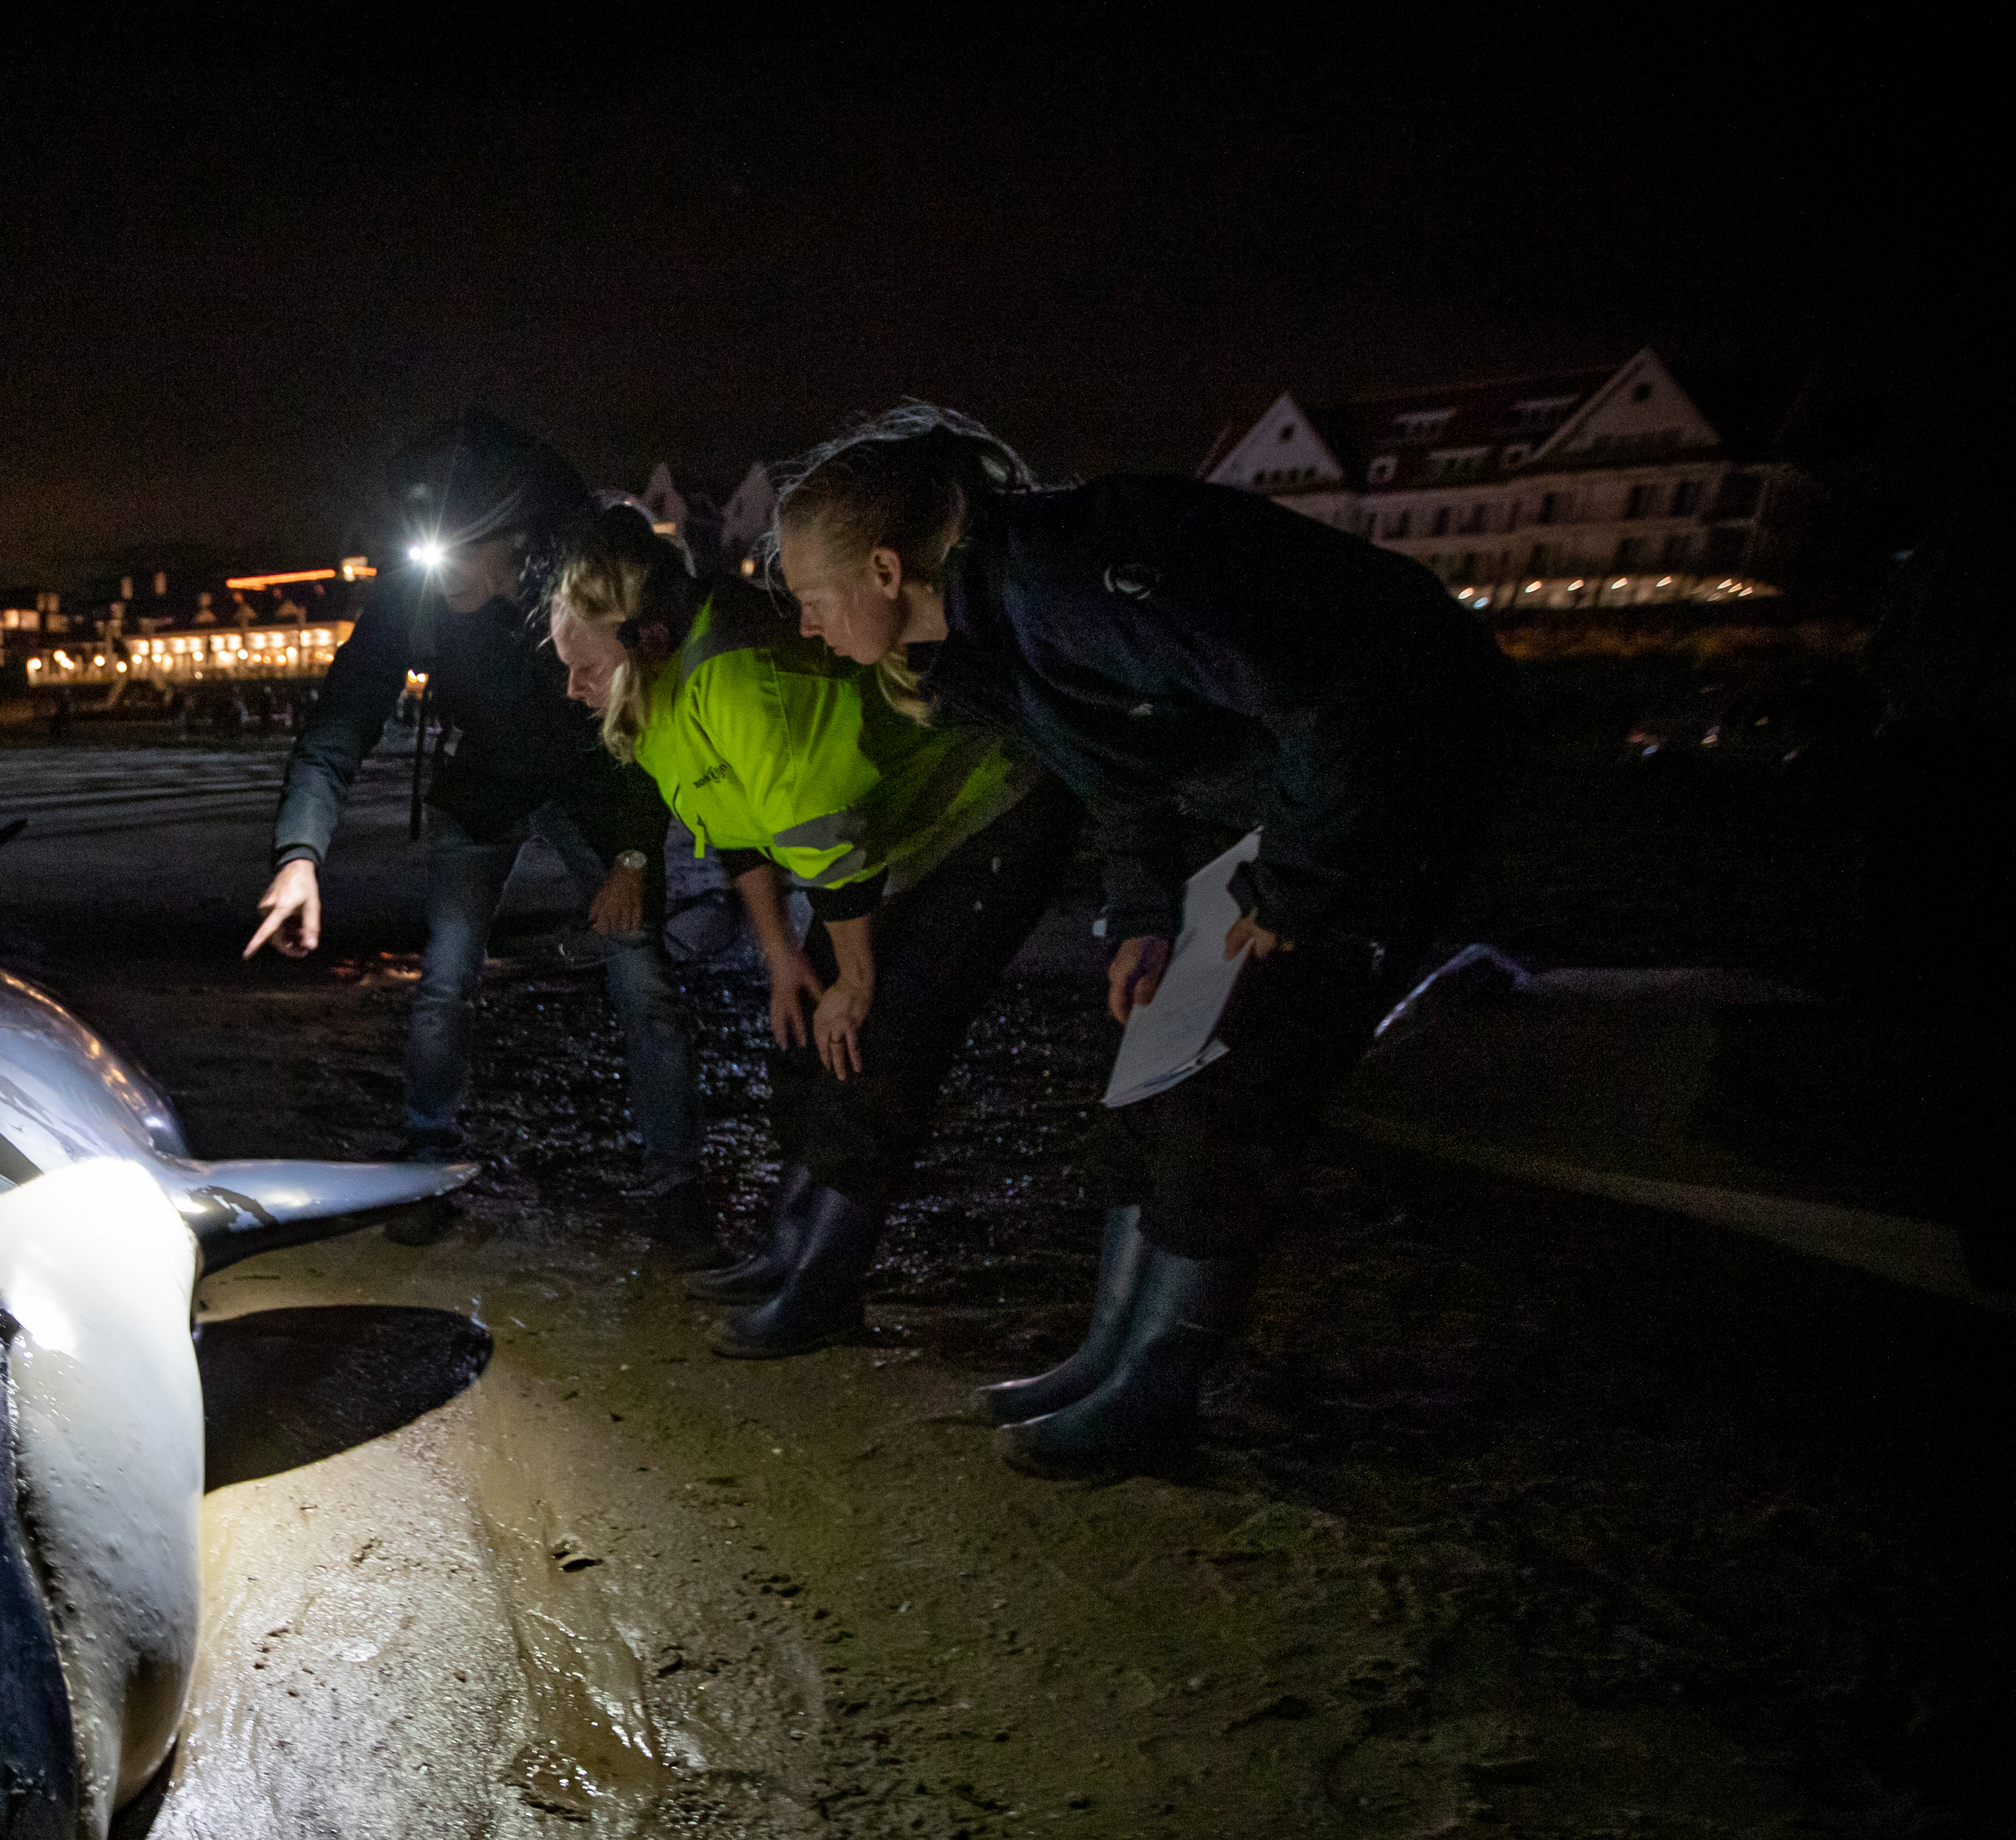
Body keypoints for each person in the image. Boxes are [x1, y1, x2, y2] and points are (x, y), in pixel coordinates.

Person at [771, 405, 1512, 1475]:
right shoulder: (982, 639)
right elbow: (1112, 767)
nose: (805, 626)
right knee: (1148, 1059)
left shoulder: (1061, 581)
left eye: (809, 599)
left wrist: (1293, 889)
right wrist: (1149, 911)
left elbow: (1330, 688)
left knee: (1233, 1079)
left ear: (886, 570)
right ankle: (1110, 1354)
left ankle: (1160, 1388)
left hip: (1407, 764)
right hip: (1289, 793)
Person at [546, 504, 1076, 1357]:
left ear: (641, 637)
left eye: (581, 667)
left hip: (982, 816)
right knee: (803, 1039)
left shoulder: (737, 677)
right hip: (881, 850)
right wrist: (784, 958)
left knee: (875, 1043)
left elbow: (825, 835)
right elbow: (746, 831)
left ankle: (824, 1284)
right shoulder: (654, 699)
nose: (569, 686)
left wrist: (854, 982)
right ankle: (787, 1248)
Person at [244, 413, 718, 1260]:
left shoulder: (587, 579)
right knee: (444, 981)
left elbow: (651, 713)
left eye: (460, 550)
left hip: (602, 794)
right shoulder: (418, 592)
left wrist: (636, 856)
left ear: (515, 538)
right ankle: (428, 1163)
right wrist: (299, 856)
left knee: (644, 984)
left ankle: (678, 1188)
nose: (439, 571)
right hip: (485, 788)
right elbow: (340, 720)